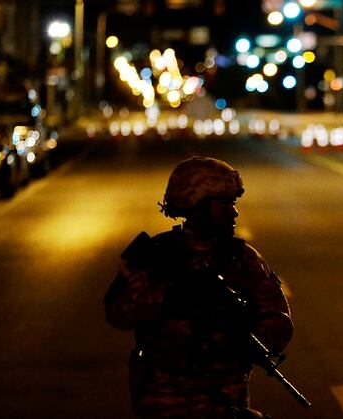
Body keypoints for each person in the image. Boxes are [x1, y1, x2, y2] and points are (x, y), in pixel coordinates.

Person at [104, 156, 294, 419]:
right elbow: (118, 315)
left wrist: (239, 341)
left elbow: (279, 320)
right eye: (224, 203)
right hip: (162, 400)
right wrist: (161, 299)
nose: (234, 212)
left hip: (223, 400)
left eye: (234, 202)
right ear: (197, 205)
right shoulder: (155, 254)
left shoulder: (243, 259)